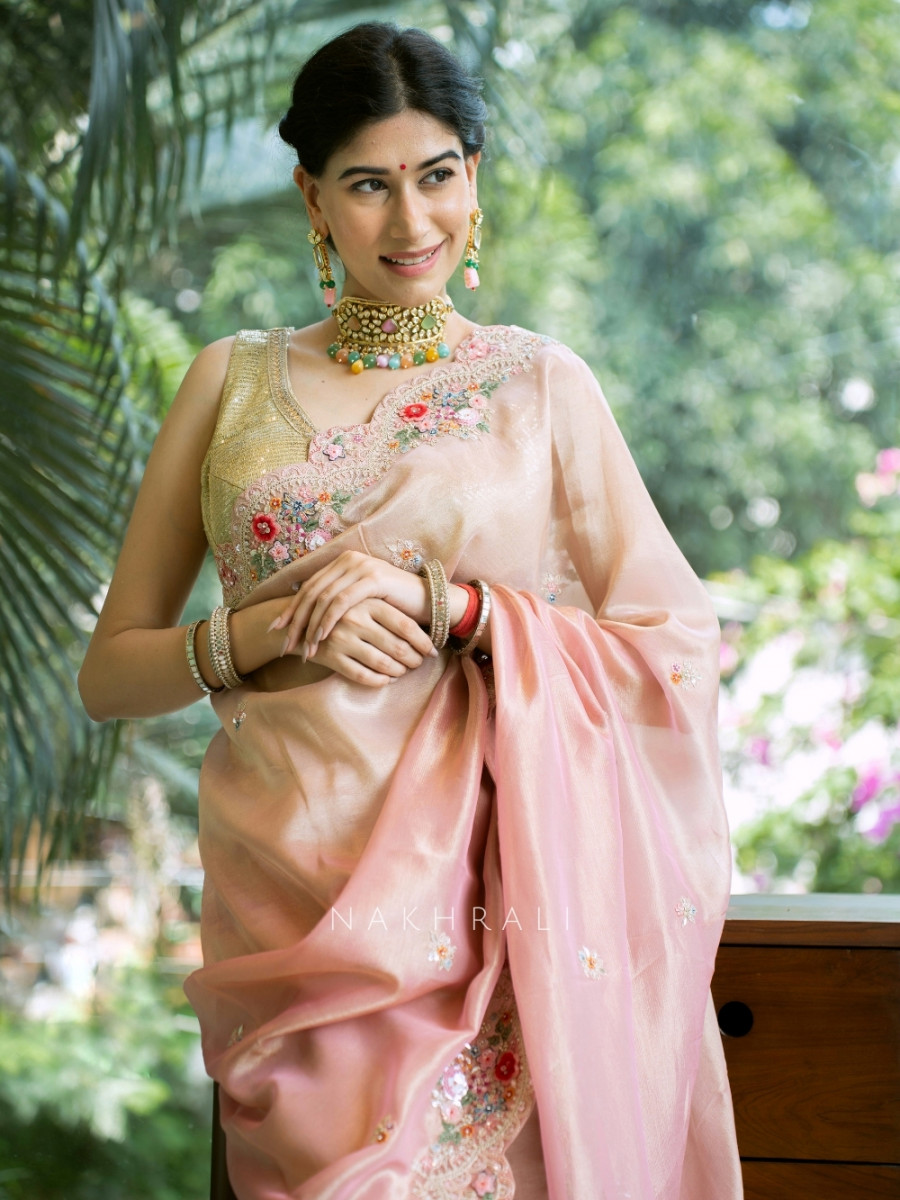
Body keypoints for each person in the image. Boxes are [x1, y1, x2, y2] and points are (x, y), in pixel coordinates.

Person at [79, 21, 743, 1200]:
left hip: (486, 927)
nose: (410, 219)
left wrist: (463, 609)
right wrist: (268, 629)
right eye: (368, 184)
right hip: (285, 917)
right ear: (313, 198)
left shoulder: (541, 387)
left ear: (473, 179)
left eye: (436, 175)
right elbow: (111, 673)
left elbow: (676, 647)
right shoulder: (229, 380)